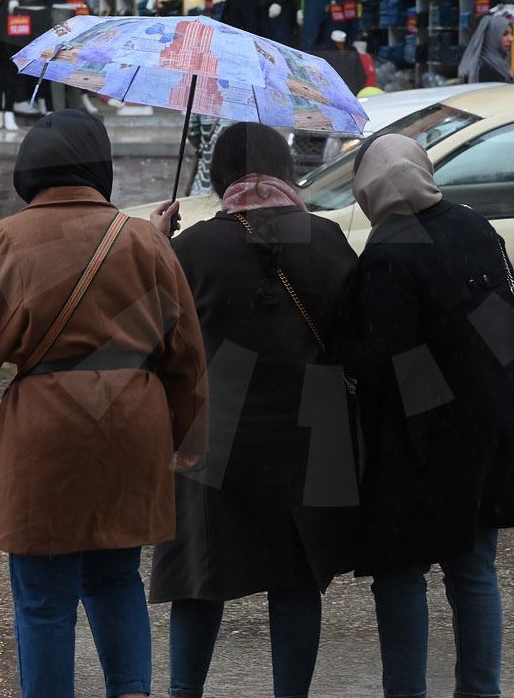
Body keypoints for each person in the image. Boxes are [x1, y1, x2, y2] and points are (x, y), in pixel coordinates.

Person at [0, 110, 207, 698]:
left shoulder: (9, 241)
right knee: (116, 577)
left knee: (42, 596)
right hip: (133, 426)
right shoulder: (142, 240)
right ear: (100, 170)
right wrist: (186, 437)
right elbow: (184, 353)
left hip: (47, 430)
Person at [149, 122, 360, 698]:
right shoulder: (328, 239)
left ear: (219, 175)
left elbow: (156, 337)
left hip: (217, 425)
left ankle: (184, 691)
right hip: (311, 429)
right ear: (286, 169)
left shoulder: (193, 248)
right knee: (296, 579)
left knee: (200, 575)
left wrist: (159, 249)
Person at [345, 135, 514, 698]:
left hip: (424, 439)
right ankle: (480, 690)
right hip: (490, 420)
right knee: (472, 569)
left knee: (399, 572)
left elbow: (389, 362)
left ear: (368, 188)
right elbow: (497, 325)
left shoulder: (389, 249)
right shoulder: (472, 223)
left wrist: (337, 344)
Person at [458, 15, 514, 84]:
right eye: (505, 34)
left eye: (511, 34)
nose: (511, 39)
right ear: (492, 37)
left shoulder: (497, 63)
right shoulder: (483, 68)